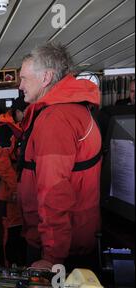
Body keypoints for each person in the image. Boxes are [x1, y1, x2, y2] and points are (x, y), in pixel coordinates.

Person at [17, 42, 102, 270]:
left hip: (59, 250)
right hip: (69, 240)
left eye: (24, 78)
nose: (20, 85)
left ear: (46, 77)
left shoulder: (56, 118)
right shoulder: (69, 109)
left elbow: (54, 190)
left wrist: (52, 257)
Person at [0, 95, 28, 267]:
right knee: (13, 231)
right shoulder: (6, 131)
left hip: (27, 188)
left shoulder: (25, 126)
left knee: (27, 231)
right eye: (26, 112)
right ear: (18, 111)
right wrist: (16, 187)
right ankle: (11, 269)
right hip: (12, 191)